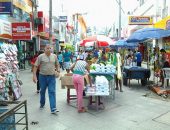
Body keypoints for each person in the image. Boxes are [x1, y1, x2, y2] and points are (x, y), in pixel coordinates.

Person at [33, 44, 60, 114]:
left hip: (52, 77)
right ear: (44, 49)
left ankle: (53, 108)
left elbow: (57, 64)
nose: (49, 49)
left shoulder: (54, 56)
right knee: (42, 91)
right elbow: (35, 66)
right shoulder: (40, 56)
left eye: (50, 48)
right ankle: (42, 103)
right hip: (42, 77)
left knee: (52, 92)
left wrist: (58, 71)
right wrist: (34, 76)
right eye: (47, 48)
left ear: (52, 49)